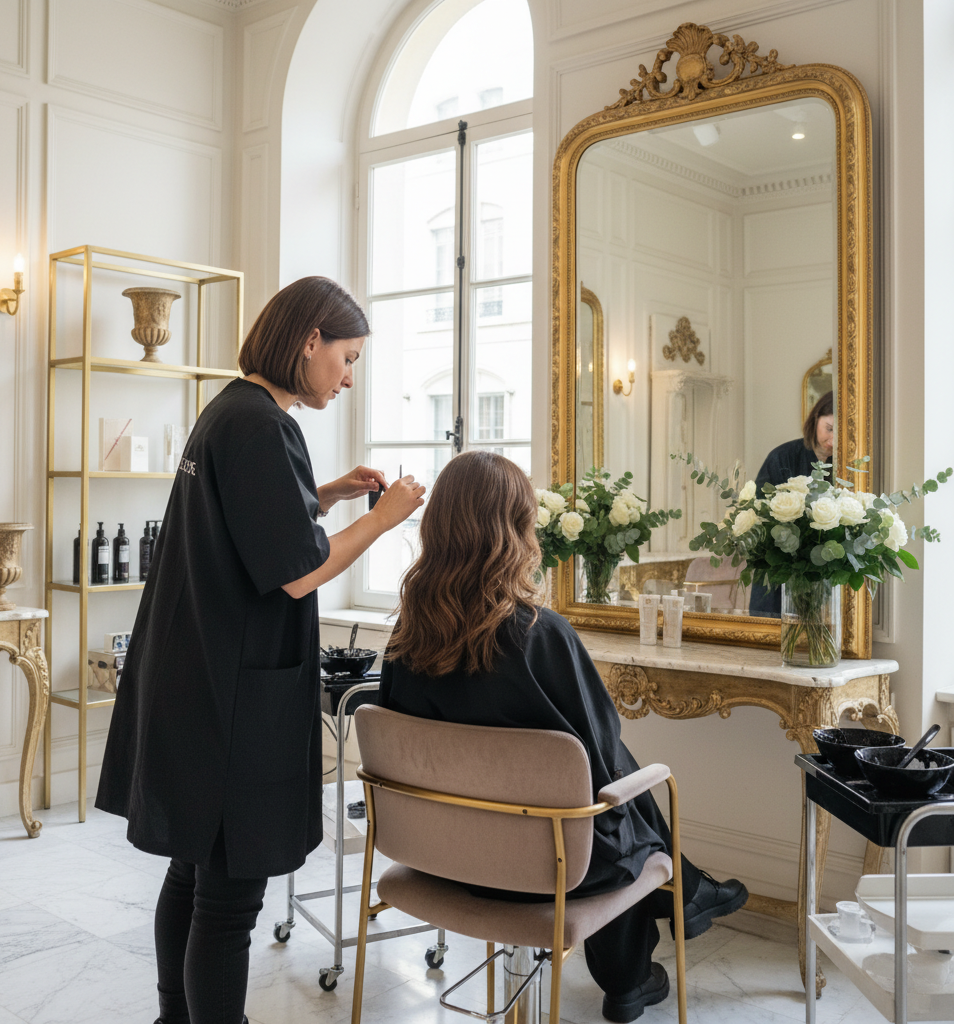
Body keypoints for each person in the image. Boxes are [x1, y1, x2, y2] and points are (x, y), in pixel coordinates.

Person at [95, 277, 426, 1024]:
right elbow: (297, 571)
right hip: (229, 697)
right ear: (309, 340)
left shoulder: (233, 411)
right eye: (347, 356)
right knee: (230, 896)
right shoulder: (260, 425)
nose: (348, 376)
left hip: (198, 678)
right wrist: (385, 519)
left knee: (194, 871)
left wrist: (328, 493)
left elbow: (252, 525)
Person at [380, 451, 748, 1024]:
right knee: (619, 796)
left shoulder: (405, 639)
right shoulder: (539, 635)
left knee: (601, 798)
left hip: (442, 858)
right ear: (515, 529)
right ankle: (654, 940)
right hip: (547, 870)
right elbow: (602, 763)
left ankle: (677, 909)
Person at [748, 390, 834, 616]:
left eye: (842, 433)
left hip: (824, 577)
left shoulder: (848, 466)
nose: (833, 441)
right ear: (816, 418)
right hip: (777, 572)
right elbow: (759, 512)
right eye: (830, 429)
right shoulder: (782, 457)